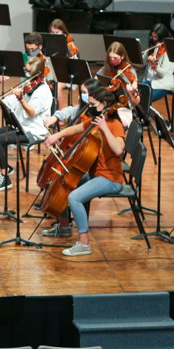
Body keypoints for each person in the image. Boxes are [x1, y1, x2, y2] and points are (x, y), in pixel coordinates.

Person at [40, 87, 127, 256]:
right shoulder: (96, 119)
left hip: (110, 178)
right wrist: (56, 136)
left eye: (93, 104)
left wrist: (104, 128)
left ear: (104, 104)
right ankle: (64, 227)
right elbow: (75, 129)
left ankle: (84, 244)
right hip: (96, 175)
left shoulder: (115, 125)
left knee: (74, 197)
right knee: (65, 183)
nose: (89, 107)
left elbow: (118, 150)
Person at [0, 55, 53, 192]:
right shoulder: (29, 85)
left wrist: (21, 100)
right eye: (25, 71)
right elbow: (11, 101)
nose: (26, 74)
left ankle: (5, 179)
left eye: (28, 72)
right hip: (20, 126)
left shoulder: (42, 91)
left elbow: (32, 112)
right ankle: (6, 167)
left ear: (37, 74)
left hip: (33, 131)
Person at [142, 24, 174, 104]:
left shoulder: (169, 51)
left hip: (162, 84)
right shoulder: (153, 47)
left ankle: (150, 117)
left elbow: (162, 73)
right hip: (149, 81)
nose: (154, 39)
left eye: (156, 37)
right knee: (133, 96)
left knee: (144, 101)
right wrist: (147, 53)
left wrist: (154, 65)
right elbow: (142, 63)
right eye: (152, 37)